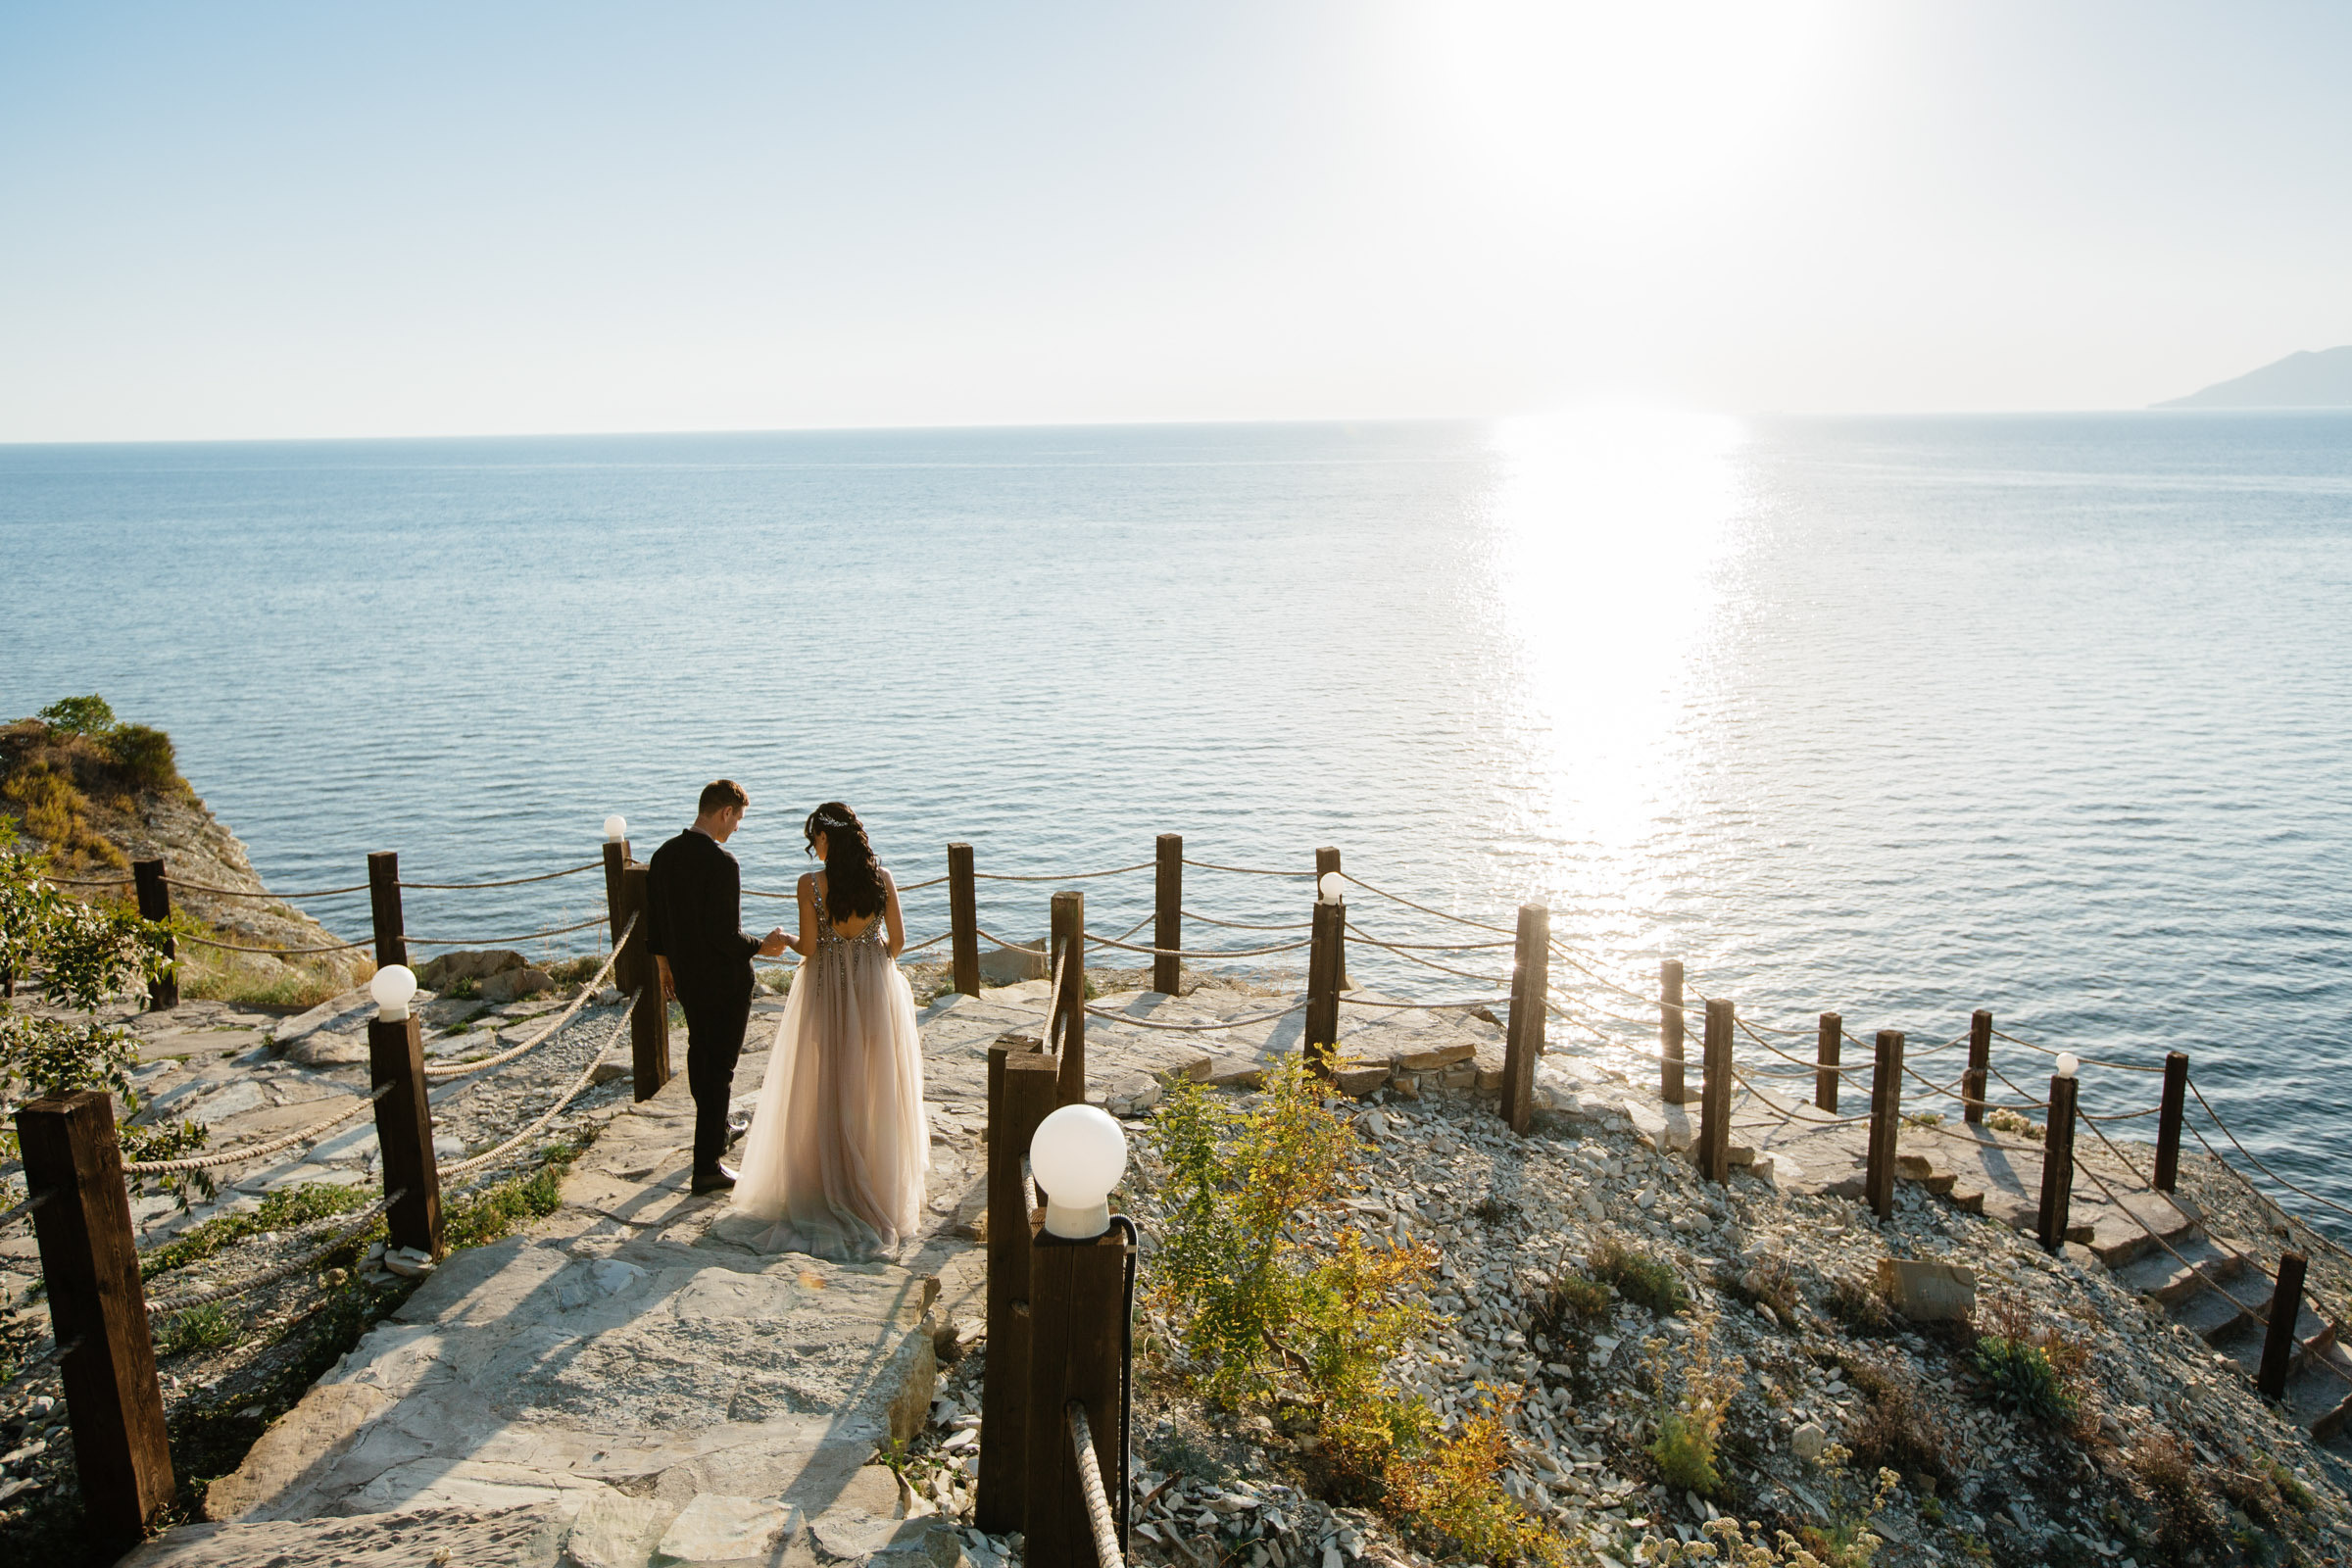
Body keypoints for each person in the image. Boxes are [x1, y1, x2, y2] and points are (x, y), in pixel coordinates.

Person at [732, 802, 929, 1258]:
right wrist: (870, 950)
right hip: (875, 991)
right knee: (872, 1083)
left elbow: (811, 949)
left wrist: (783, 940)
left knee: (826, 1081)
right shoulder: (882, 880)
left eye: (814, 839)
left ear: (827, 838)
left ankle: (828, 1178)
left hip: (827, 990)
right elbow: (897, 943)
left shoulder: (811, 886)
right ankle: (874, 1181)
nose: (812, 848)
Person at [646, 779, 791, 1195]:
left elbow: (656, 924)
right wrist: (763, 946)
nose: (738, 827)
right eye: (739, 818)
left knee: (699, 1054)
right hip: (724, 984)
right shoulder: (723, 863)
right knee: (720, 1070)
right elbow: (724, 935)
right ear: (725, 812)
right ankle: (706, 1164)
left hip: (688, 979)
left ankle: (719, 1128)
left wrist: (663, 968)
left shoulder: (663, 855)